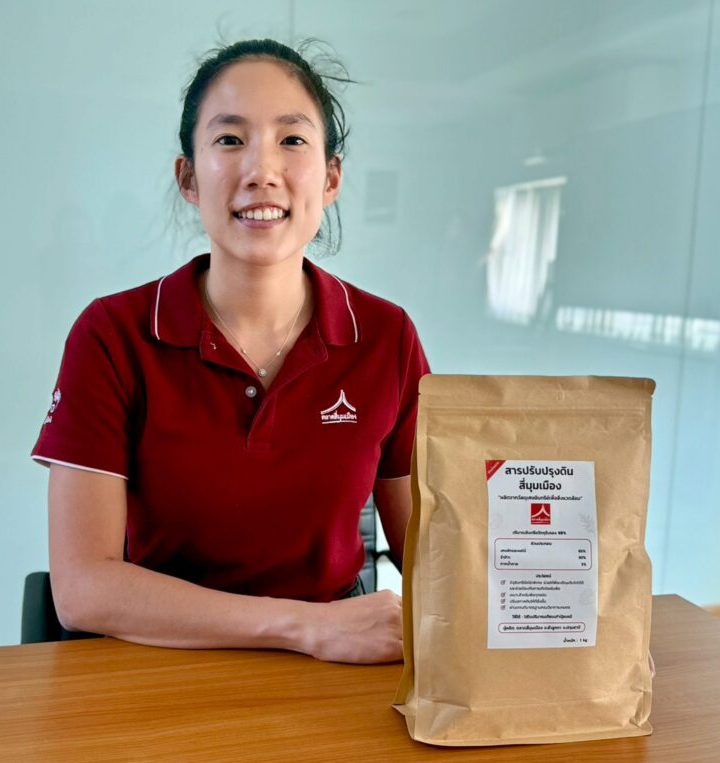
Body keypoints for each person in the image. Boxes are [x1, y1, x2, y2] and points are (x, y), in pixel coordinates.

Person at [31, 39, 430, 664]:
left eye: (291, 140)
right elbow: (83, 589)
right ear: (189, 178)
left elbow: (431, 555)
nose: (261, 170)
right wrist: (303, 626)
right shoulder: (112, 334)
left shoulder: (386, 336)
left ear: (330, 178)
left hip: (335, 674)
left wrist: (557, 600)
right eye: (229, 139)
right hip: (158, 664)